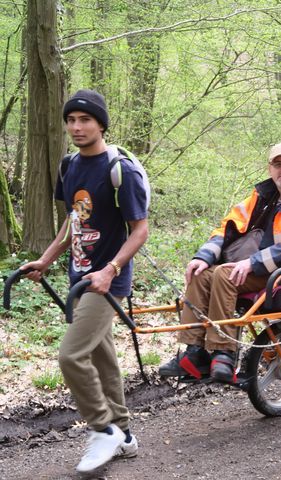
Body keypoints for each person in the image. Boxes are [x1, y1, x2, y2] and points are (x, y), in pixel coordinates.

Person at [21, 89, 149, 473]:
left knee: (70, 355)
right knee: (101, 355)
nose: (76, 127)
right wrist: (46, 259)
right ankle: (124, 434)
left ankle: (102, 428)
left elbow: (140, 230)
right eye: (71, 121)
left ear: (101, 124)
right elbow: (74, 220)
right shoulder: (69, 166)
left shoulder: (120, 169)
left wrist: (111, 269)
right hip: (79, 276)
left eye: (85, 120)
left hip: (108, 281)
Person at [158, 142, 281, 381]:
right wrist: (203, 257)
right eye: (278, 164)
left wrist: (253, 263)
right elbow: (228, 227)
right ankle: (194, 353)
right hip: (263, 267)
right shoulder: (262, 195)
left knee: (223, 275)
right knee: (201, 274)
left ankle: (224, 354)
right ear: (269, 168)